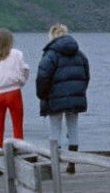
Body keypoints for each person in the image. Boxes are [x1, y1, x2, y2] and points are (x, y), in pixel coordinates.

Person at [36, 23, 90, 174]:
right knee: (73, 128)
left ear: (52, 36)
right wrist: (79, 92)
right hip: (75, 98)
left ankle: (55, 163)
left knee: (55, 130)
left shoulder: (50, 54)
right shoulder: (80, 54)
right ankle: (72, 163)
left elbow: (43, 77)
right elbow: (86, 76)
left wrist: (42, 95)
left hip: (55, 98)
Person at [0, 28, 28, 175]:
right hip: (13, 92)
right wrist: (21, 82)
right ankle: (20, 159)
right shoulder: (16, 54)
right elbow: (24, 70)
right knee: (17, 126)